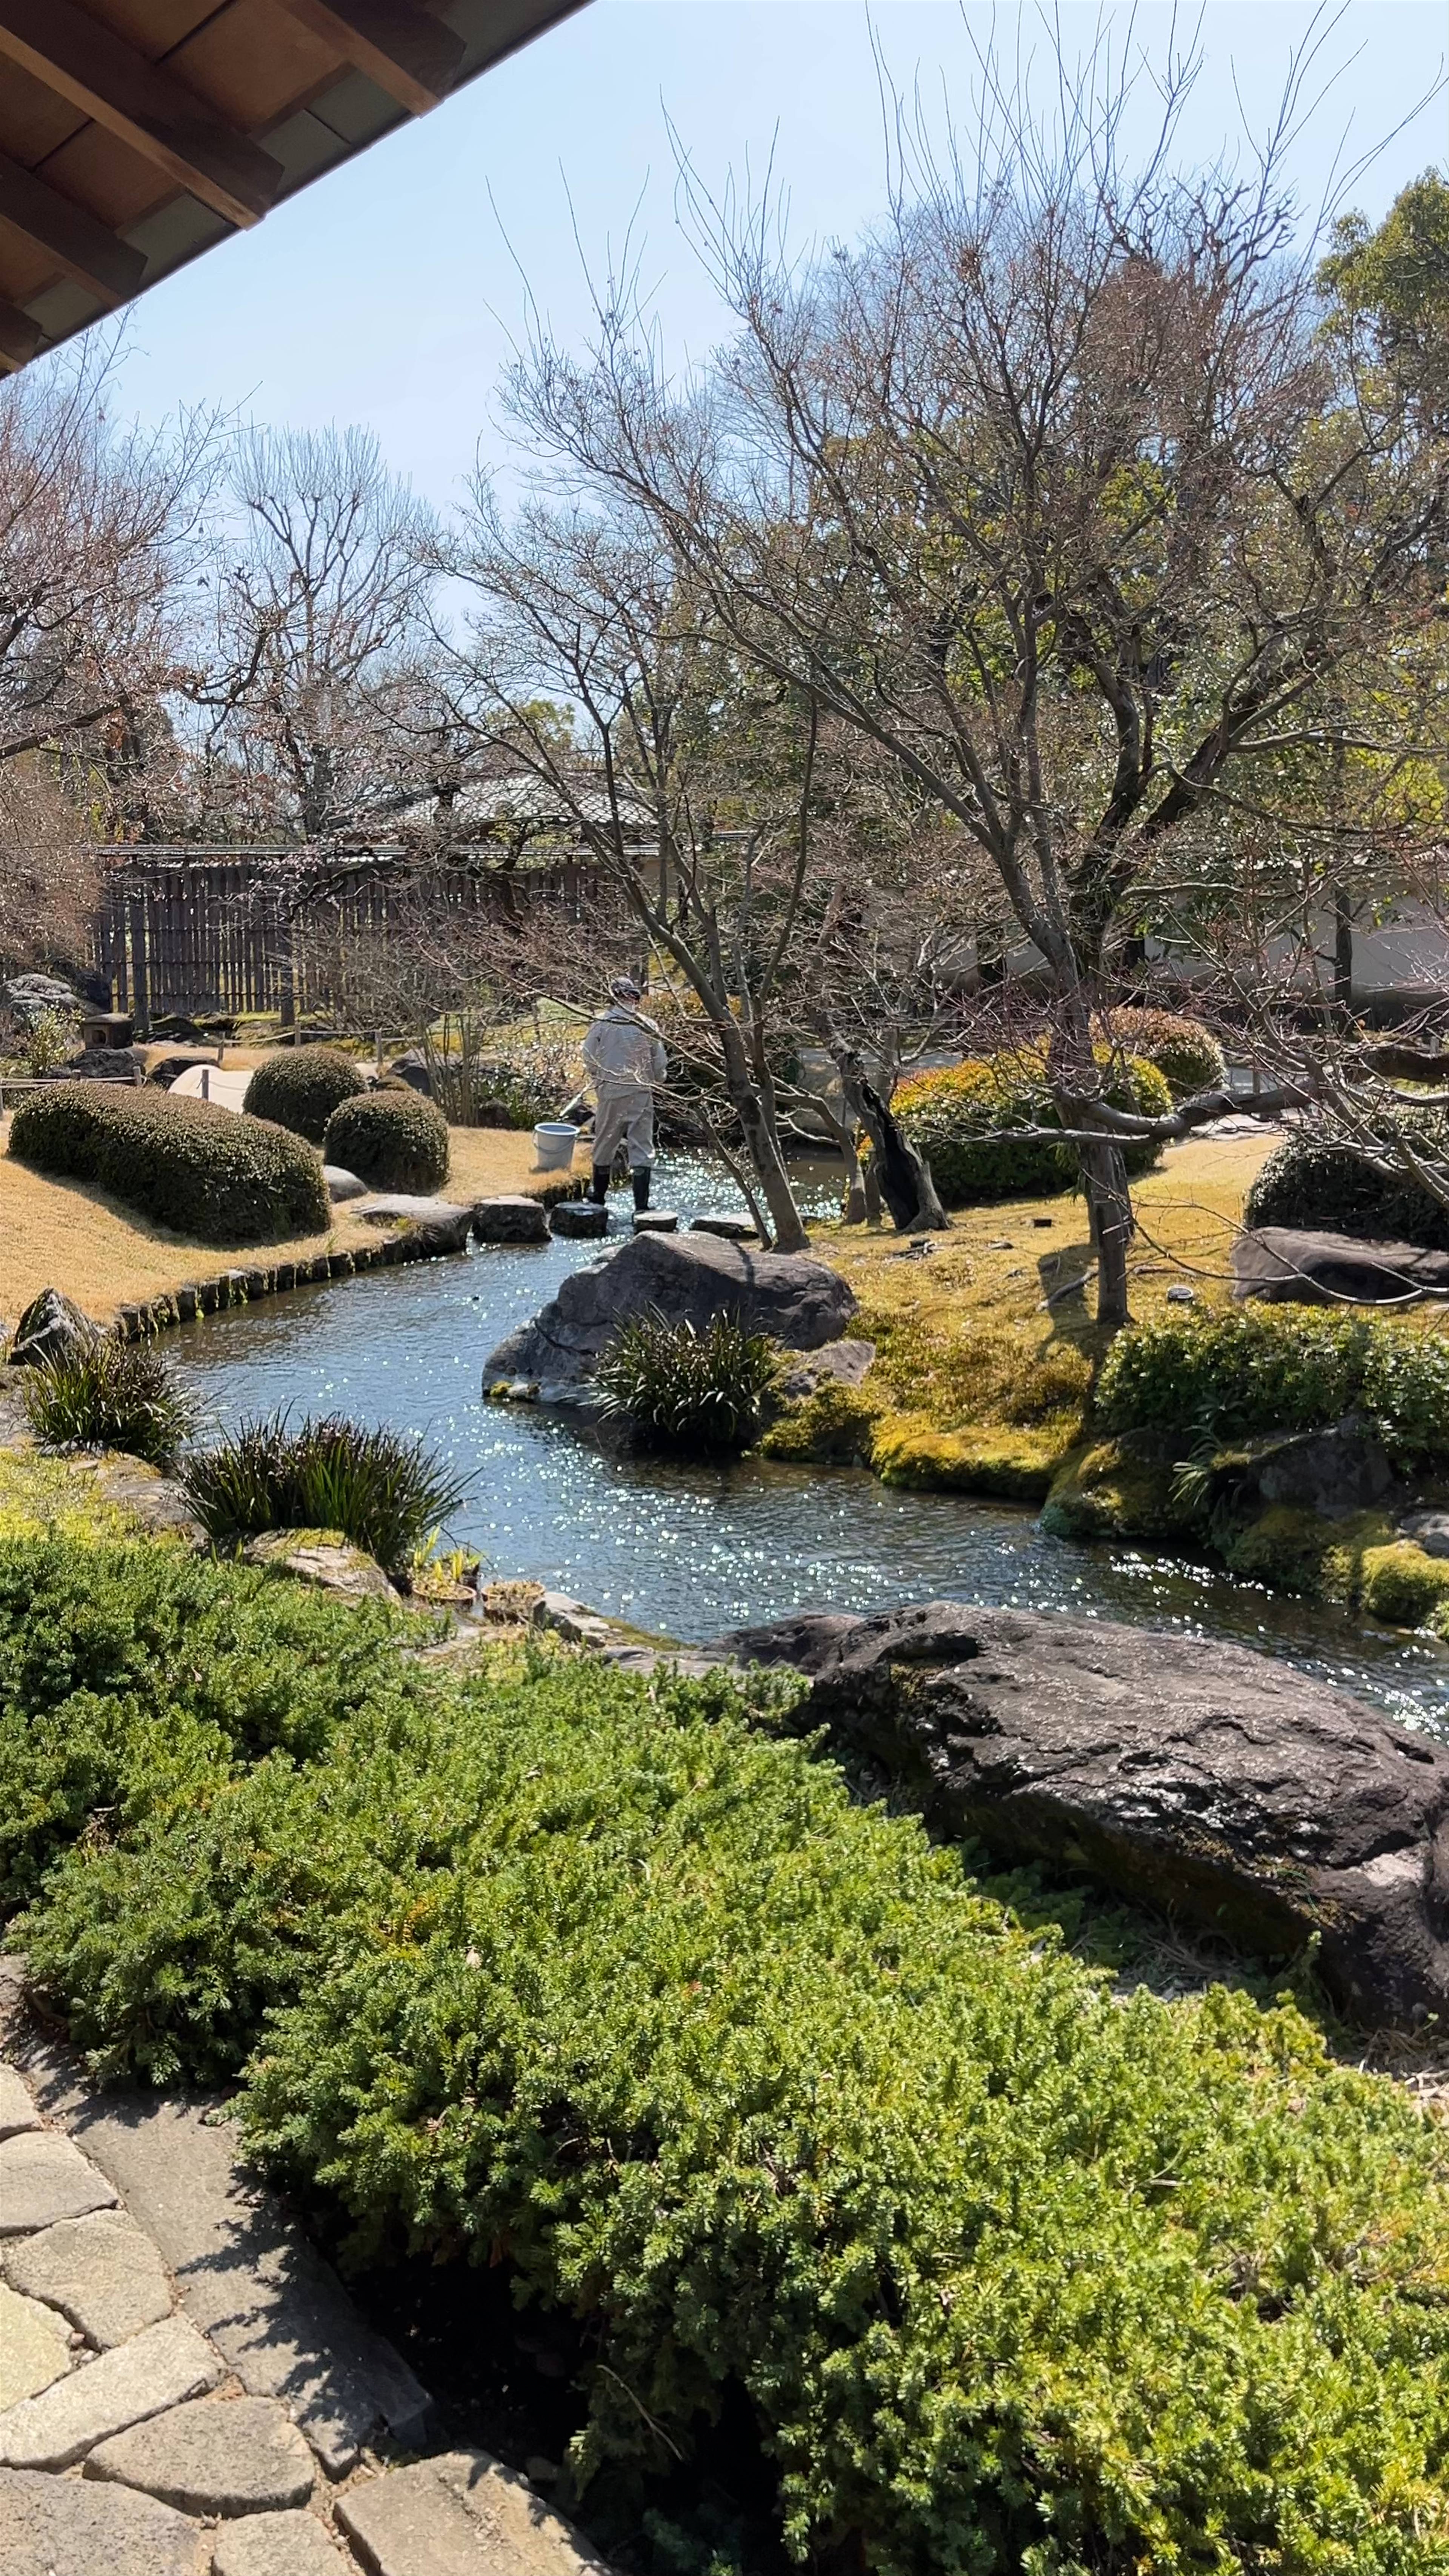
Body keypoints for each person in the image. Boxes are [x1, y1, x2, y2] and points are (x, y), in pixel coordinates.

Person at [580, 976, 668, 1211]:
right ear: (634, 998)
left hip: (611, 1091)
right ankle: (642, 1207)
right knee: (642, 1146)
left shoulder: (602, 1023)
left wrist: (598, 1076)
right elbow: (660, 1063)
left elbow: (588, 1055)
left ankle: (599, 1197)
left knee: (605, 1141)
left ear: (613, 996)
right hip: (641, 1092)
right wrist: (657, 1078)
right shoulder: (647, 1025)